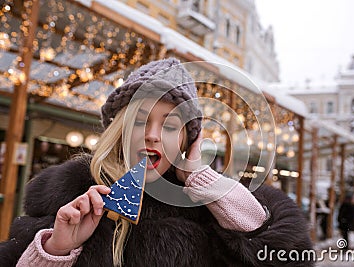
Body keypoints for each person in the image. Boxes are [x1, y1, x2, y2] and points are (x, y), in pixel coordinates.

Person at [0, 58, 313, 266]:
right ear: (121, 129)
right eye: (139, 121)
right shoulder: (70, 191)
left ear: (187, 140)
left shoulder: (213, 208)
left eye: (170, 125)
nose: (151, 135)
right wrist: (56, 250)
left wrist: (208, 186)